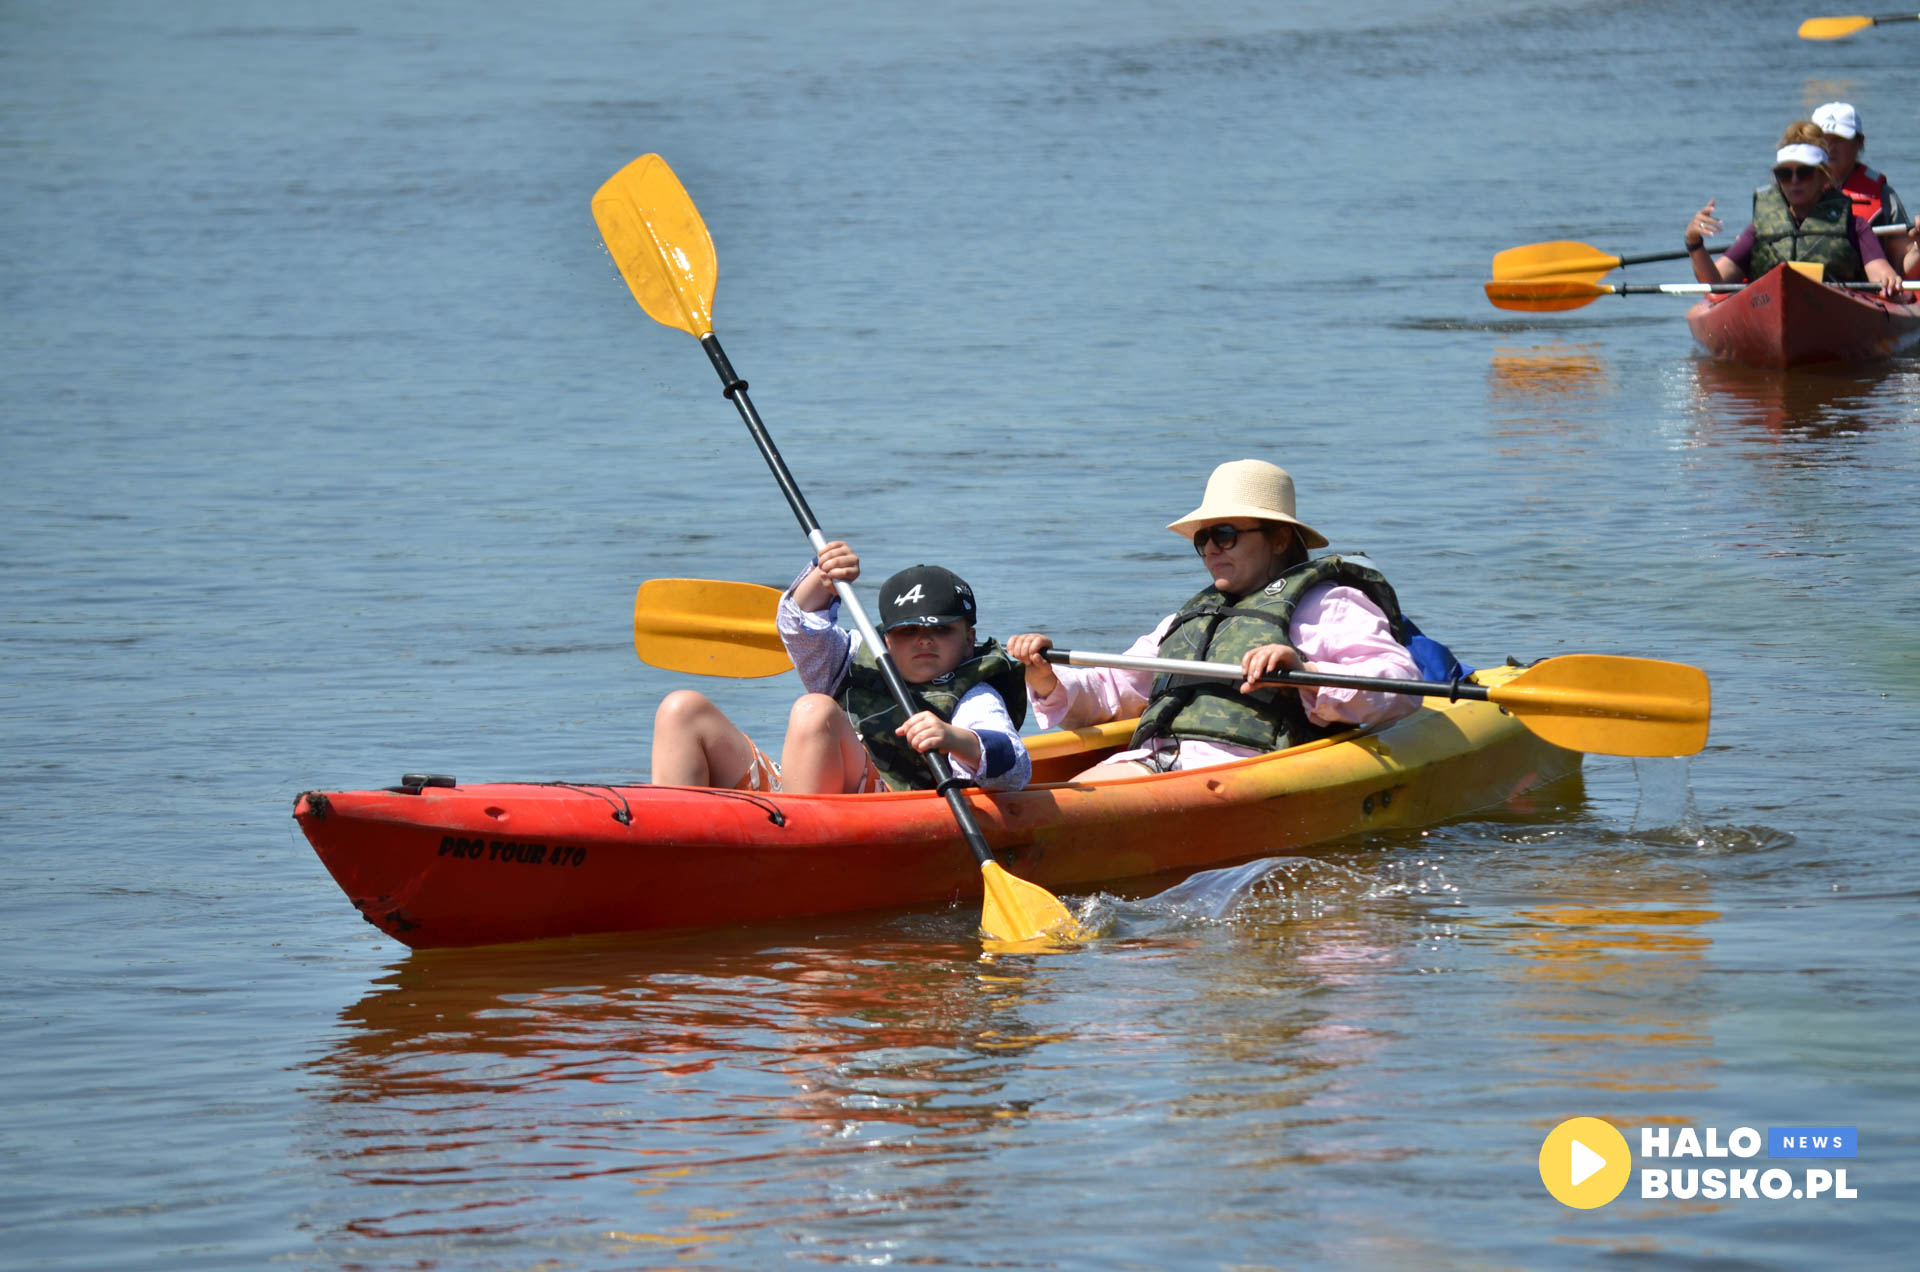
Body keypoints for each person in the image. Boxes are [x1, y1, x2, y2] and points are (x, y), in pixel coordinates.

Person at [1006, 459, 1429, 781]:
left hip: (1244, 774)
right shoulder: (1188, 618)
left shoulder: (1332, 605)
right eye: (1202, 539)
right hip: (1148, 763)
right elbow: (1112, 692)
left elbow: (1399, 685)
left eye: (1224, 534)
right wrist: (1044, 677)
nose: (1210, 549)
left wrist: (1306, 671)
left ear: (1279, 538)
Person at [650, 542, 1031, 794]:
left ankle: (795, 853)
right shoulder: (851, 659)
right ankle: (666, 841)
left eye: (941, 630)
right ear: (887, 638)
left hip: (883, 809)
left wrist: (952, 737)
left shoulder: (974, 695)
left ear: (968, 639)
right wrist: (823, 578)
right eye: (908, 630)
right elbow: (801, 630)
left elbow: (1013, 766)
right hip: (798, 797)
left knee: (815, 710)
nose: (924, 640)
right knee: (682, 710)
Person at [1684, 121, 1910, 298]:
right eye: (1785, 174)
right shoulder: (1760, 230)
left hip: (1836, 309)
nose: (1794, 181)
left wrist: (1889, 279)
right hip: (1770, 306)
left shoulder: (1855, 226)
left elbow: (1880, 272)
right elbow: (1715, 282)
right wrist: (1694, 243)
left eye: (1804, 173)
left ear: (1823, 176)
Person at [1812, 101, 1920, 277]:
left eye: (1839, 140)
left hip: (1864, 292)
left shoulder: (1884, 196)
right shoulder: (1793, 188)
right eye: (1822, 140)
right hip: (1804, 283)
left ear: (1859, 142)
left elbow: (1904, 271)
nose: (1829, 148)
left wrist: (1919, 249)